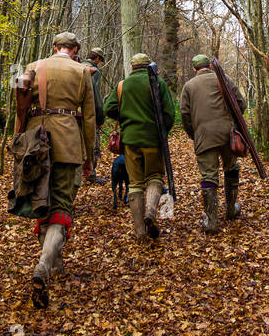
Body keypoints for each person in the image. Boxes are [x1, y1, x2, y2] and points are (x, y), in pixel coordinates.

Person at [20, 31, 96, 308]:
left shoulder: (33, 66)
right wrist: (88, 155)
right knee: (62, 206)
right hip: (67, 143)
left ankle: (53, 264)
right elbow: (89, 117)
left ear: (54, 48)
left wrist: (19, 139)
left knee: (43, 203)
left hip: (35, 142)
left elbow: (20, 105)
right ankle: (45, 264)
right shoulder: (82, 71)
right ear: (75, 49)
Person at [105, 52, 176, 240]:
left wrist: (125, 118)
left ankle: (139, 232)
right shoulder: (158, 83)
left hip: (130, 141)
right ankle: (151, 212)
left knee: (135, 183)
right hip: (153, 140)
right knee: (154, 177)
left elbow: (108, 108)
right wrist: (162, 131)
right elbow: (169, 114)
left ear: (132, 67)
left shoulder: (123, 85)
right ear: (148, 67)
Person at [178, 54, 246, 233]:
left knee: (209, 177)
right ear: (209, 65)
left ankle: (211, 221)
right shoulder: (224, 79)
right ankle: (231, 209)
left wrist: (194, 134)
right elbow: (241, 103)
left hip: (204, 136)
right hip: (228, 135)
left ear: (194, 70)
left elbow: (184, 114)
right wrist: (233, 123)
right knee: (231, 169)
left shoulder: (189, 86)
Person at [81, 47, 107, 184]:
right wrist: (99, 118)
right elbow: (94, 95)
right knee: (93, 146)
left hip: (75, 115)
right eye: (100, 60)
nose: (100, 62)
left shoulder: (77, 66)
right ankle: (90, 175)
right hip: (89, 116)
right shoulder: (94, 71)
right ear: (97, 58)